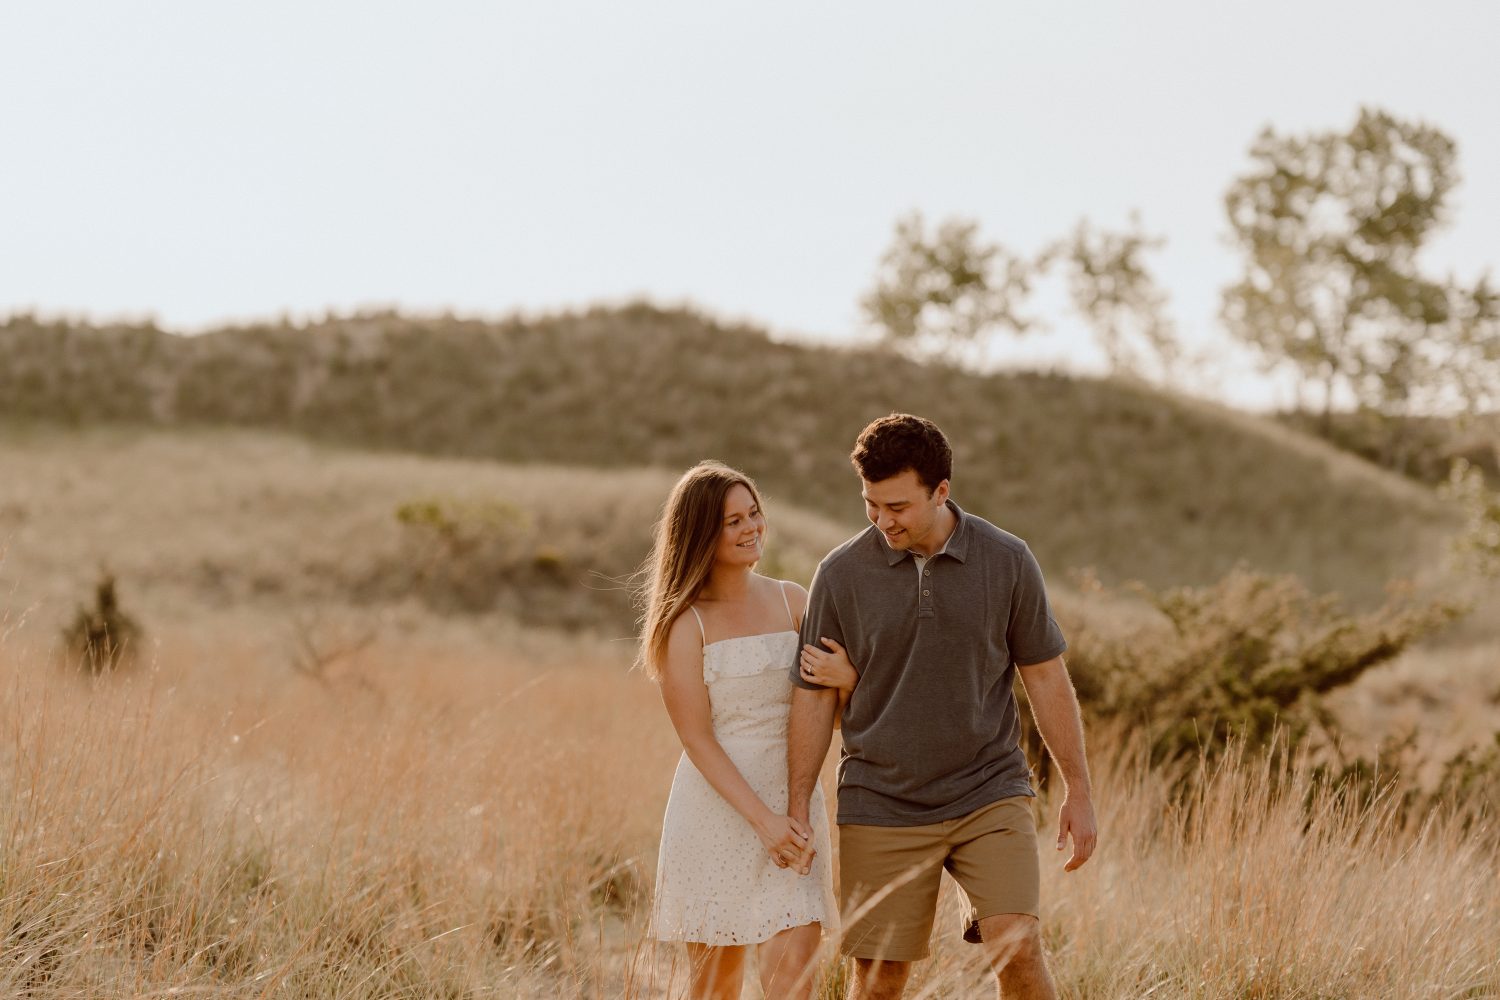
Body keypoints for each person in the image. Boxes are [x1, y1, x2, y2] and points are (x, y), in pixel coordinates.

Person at [785, 413, 1098, 1000]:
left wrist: (1078, 788)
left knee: (1017, 946)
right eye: (871, 504)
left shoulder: (1007, 560)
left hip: (988, 789)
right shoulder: (840, 574)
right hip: (881, 798)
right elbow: (811, 697)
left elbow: (1047, 678)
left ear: (942, 492)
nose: (882, 521)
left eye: (897, 506)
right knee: (879, 981)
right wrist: (798, 802)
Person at [640, 461, 858, 1000]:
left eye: (753, 514)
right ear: (699, 535)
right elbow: (697, 738)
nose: (750, 528)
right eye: (731, 521)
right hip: (718, 810)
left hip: (795, 802)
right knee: (715, 991)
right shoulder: (684, 623)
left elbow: (836, 710)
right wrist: (762, 822)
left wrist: (848, 679)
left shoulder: (794, 600)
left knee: (794, 986)